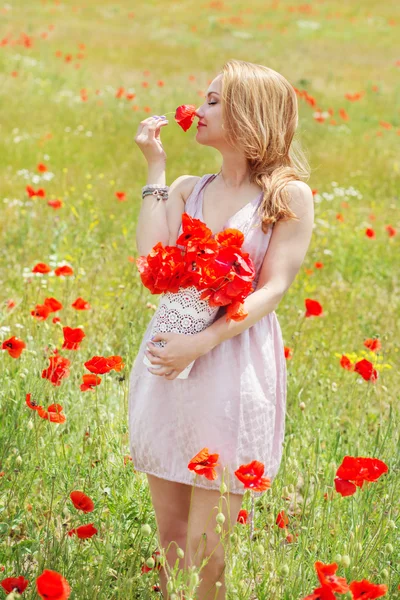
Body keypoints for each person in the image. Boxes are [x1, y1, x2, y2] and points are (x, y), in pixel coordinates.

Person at [131, 59, 314, 599]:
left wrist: (203, 342)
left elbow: (273, 287)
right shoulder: (190, 188)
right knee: (170, 537)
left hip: (230, 360)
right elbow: (152, 258)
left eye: (213, 100)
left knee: (210, 543)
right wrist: (155, 171)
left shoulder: (286, 196)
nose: (198, 109)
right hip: (169, 354)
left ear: (249, 114)